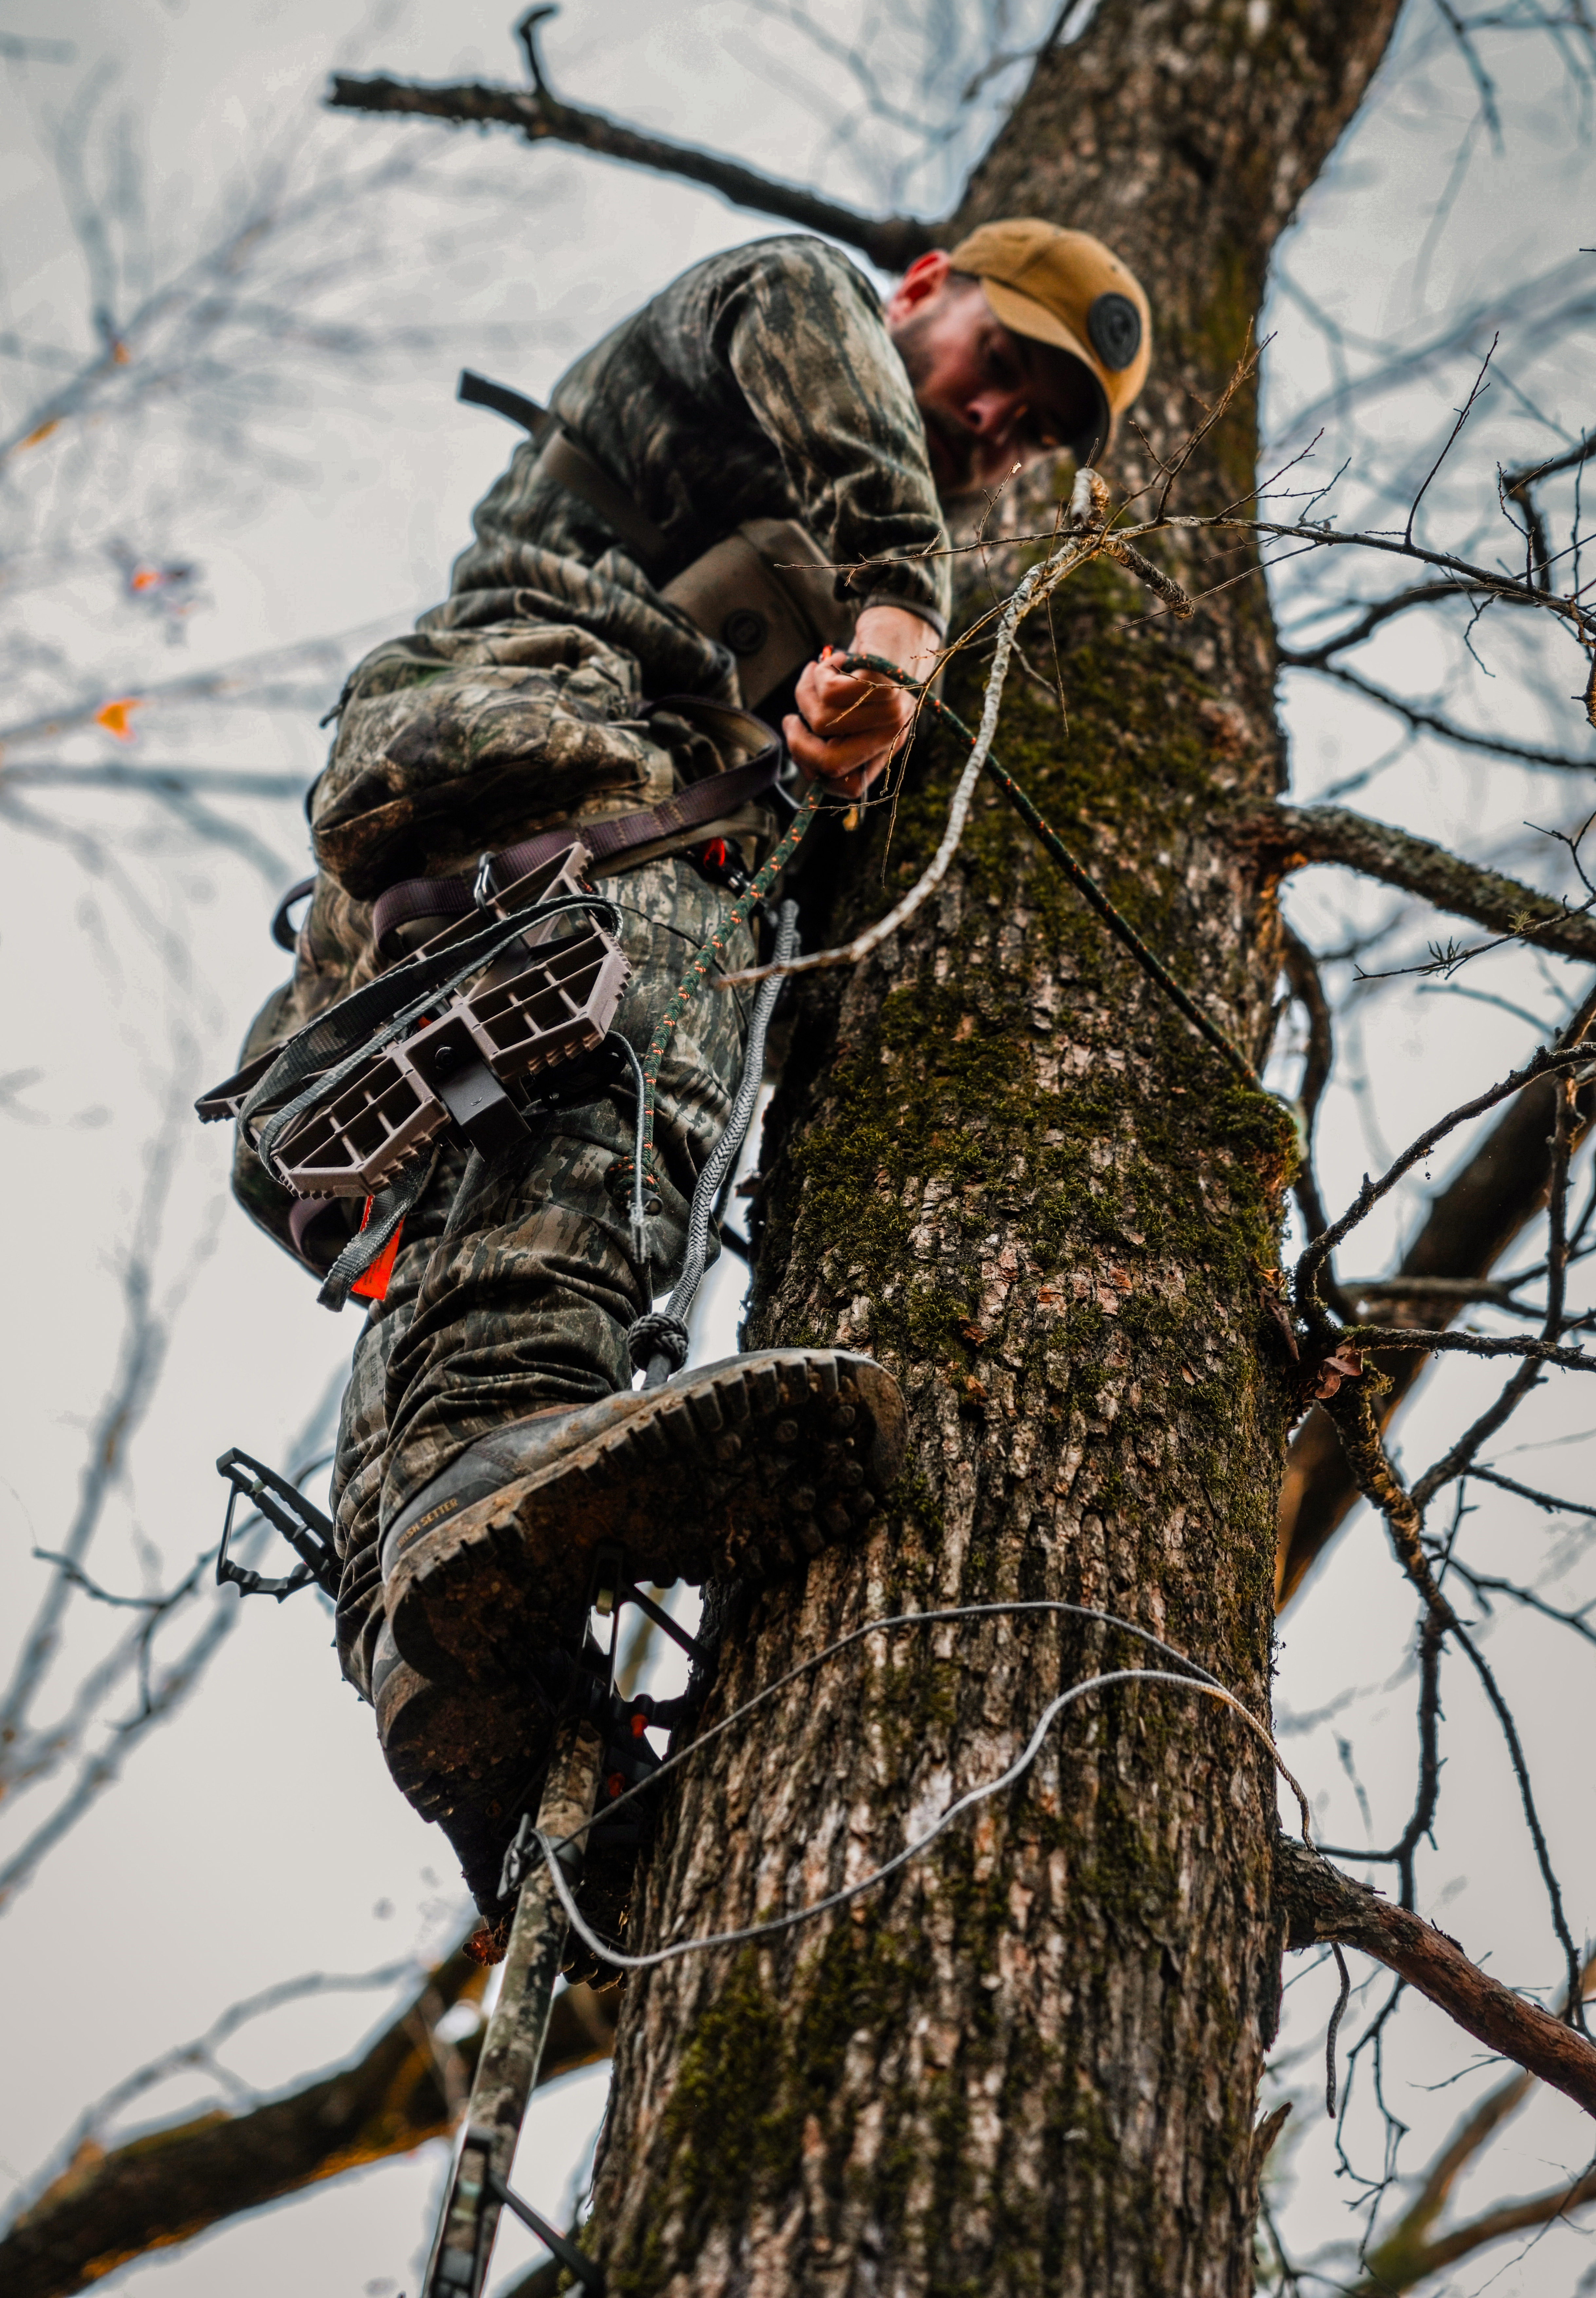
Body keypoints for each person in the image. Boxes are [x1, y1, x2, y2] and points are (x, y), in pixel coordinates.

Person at [208, 218, 1152, 1927]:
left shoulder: (852, 569)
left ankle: (473, 1689)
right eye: (1007, 364)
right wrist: (901, 618)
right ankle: (483, 1471)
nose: (1007, 420)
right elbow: (801, 323)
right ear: (927, 288)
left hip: (482, 897)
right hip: (540, 769)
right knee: (618, 1066)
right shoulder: (793, 314)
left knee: (501, 1173)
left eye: (1046, 424)